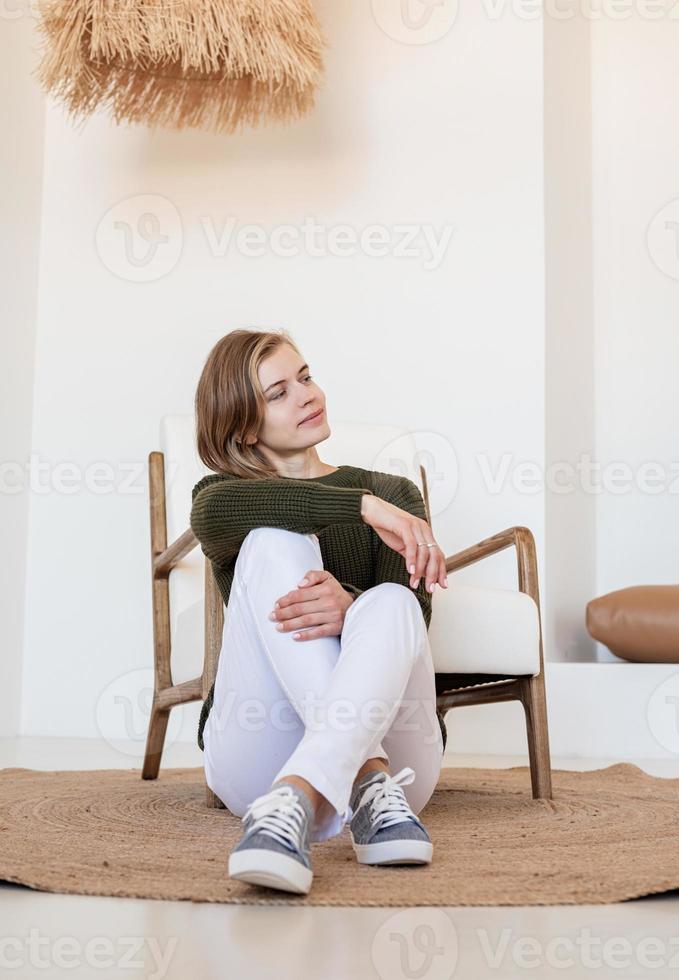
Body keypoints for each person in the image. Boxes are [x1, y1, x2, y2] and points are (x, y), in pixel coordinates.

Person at [190, 327, 448, 895]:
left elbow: (412, 622)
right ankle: (358, 776)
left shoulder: (396, 491)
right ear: (242, 425)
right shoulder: (218, 497)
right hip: (259, 749)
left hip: (400, 763)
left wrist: (351, 607)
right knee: (273, 542)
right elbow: (256, 511)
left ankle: (299, 800)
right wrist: (362, 507)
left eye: (305, 377)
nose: (308, 395)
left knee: (392, 600)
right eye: (278, 393)